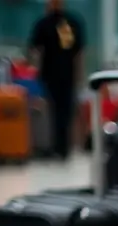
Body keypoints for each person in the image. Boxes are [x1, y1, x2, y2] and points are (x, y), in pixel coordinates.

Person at [29, 0, 85, 159]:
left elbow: (79, 52)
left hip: (67, 75)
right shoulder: (43, 24)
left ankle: (63, 146)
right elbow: (35, 50)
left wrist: (79, 75)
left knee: (65, 111)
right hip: (48, 75)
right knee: (50, 112)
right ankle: (52, 146)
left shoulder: (71, 23)